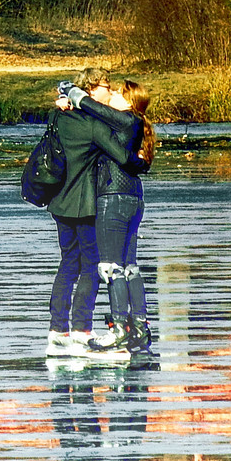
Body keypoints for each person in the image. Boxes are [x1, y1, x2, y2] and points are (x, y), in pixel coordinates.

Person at [68, 80, 155, 359]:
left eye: (118, 92)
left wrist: (72, 92)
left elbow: (93, 108)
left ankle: (119, 330)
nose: (114, 95)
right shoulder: (133, 124)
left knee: (110, 267)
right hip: (134, 199)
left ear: (129, 101)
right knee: (131, 267)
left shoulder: (126, 120)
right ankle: (139, 327)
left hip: (114, 198)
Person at [45, 68, 123, 358]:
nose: (111, 91)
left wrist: (61, 100)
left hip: (60, 202)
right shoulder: (93, 124)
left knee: (68, 263)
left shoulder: (58, 116)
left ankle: (57, 332)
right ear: (90, 90)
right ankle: (81, 330)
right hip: (85, 205)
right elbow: (122, 154)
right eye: (107, 86)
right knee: (90, 265)